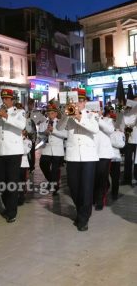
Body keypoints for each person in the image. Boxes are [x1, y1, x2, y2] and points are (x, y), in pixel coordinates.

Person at [56, 88, 99, 232]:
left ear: (85, 102)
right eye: (76, 101)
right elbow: (59, 127)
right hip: (73, 156)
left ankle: (84, 218)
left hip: (88, 156)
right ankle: (81, 211)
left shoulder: (91, 115)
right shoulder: (68, 113)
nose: (78, 103)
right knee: (73, 187)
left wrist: (79, 116)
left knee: (86, 188)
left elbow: (94, 129)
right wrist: (65, 115)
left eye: (81, 101)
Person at [0, 89, 26, 223]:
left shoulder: (19, 112)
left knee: (12, 182)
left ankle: (12, 211)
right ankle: (8, 205)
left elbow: (21, 125)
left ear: (12, 100)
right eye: (3, 99)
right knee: (0, 181)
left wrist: (6, 116)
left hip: (13, 152)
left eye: (7, 99)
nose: (4, 101)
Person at [38, 103, 67, 195]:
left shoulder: (60, 123)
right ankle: (53, 182)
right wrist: (44, 133)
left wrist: (53, 131)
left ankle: (54, 186)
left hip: (58, 150)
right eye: (48, 113)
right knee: (43, 164)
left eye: (51, 113)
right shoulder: (43, 124)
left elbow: (65, 135)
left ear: (55, 114)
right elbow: (39, 135)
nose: (49, 115)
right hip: (47, 149)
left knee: (55, 170)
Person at [93, 107, 114, 210]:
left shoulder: (108, 120)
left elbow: (110, 130)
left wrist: (98, 118)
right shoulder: (90, 120)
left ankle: (100, 200)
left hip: (104, 154)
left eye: (98, 109)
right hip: (92, 154)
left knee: (101, 178)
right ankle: (94, 197)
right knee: (94, 178)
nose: (96, 111)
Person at [18, 130, 32, 205]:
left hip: (23, 164)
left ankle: (21, 197)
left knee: (22, 182)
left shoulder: (28, 141)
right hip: (14, 163)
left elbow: (25, 151)